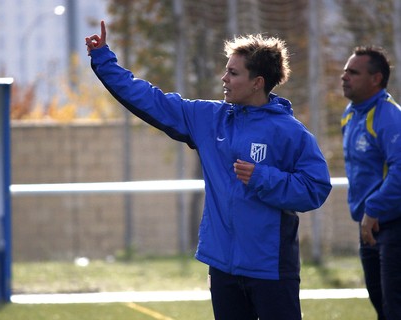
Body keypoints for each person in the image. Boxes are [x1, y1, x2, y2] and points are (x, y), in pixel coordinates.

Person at [86, 21, 332, 320]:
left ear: (258, 82)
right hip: (222, 267)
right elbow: (149, 98)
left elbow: (315, 189)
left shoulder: (291, 132)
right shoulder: (208, 118)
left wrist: (262, 177)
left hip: (270, 269)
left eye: (233, 72)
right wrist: (103, 59)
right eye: (226, 70)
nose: (224, 78)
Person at [341, 46, 401, 320]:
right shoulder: (350, 115)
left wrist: (373, 208)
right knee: (381, 305)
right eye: (345, 71)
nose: (344, 77)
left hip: (393, 224)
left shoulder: (389, 116)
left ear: (376, 79)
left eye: (353, 72)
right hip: (370, 225)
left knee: (394, 308)